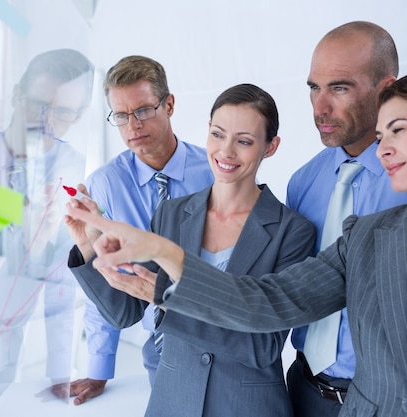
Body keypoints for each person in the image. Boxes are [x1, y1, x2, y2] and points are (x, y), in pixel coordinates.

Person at [69, 68, 407, 417]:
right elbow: (263, 302)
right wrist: (121, 251)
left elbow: (262, 341)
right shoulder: (366, 238)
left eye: (397, 131)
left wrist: (163, 283)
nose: (381, 150)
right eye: (380, 137)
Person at [69, 83, 316, 416]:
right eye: (217, 134)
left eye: (244, 141)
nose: (226, 152)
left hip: (247, 406)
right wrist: (88, 245)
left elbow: (262, 347)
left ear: (270, 147)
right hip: (172, 400)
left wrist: (169, 301)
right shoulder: (172, 214)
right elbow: (125, 312)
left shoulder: (292, 230)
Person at [66, 55, 214, 405]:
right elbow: (103, 276)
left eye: (144, 110)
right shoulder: (104, 185)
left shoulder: (213, 170)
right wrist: (99, 367)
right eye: (121, 115)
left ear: (169, 105)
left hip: (218, 331)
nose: (132, 125)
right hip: (160, 348)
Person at [284, 21, 407, 416]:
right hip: (303, 390)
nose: (320, 108)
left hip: (388, 401)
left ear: (387, 89)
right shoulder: (304, 182)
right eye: (313, 88)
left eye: (339, 87)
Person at [0, 48, 95, 396]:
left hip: (45, 305)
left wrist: (60, 375)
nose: (47, 121)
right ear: (16, 95)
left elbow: (67, 270)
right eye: (37, 106)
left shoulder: (74, 165)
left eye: (62, 112)